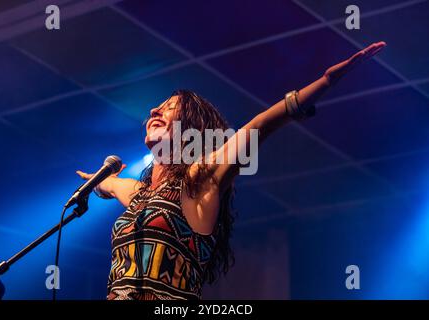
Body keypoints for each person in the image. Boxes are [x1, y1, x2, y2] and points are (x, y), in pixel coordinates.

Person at [76, 42, 386, 300]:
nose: (155, 111)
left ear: (191, 130)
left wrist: (325, 82)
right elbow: (113, 184)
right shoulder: (139, 195)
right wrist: (96, 183)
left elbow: (260, 126)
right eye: (155, 108)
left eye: (169, 107)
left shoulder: (201, 179)